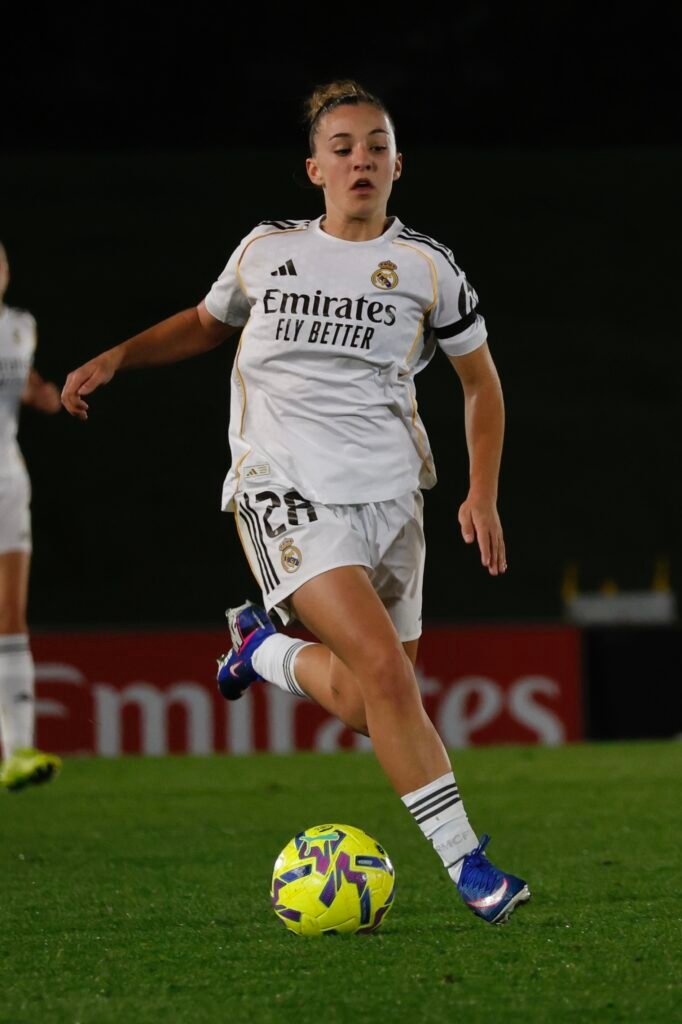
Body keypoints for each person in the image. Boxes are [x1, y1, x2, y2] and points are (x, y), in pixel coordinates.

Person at [62, 80, 530, 923]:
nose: (361, 160)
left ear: (398, 165)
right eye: (342, 148)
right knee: (385, 673)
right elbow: (207, 322)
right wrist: (120, 357)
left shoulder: (428, 268)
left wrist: (482, 492)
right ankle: (471, 866)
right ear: (314, 168)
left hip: (391, 499)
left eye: (377, 146)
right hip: (282, 487)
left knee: (371, 701)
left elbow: (481, 384)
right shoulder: (267, 250)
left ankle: (261, 649)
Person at [0, 242, 62, 791]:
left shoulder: (20, 326)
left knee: (10, 615)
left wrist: (49, 395)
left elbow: (23, 386)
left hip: (7, 482)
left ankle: (18, 751)